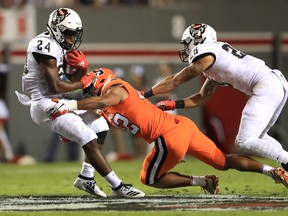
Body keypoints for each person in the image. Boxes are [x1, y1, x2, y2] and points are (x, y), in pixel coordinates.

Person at [46, 68, 288, 193]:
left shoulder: (118, 89)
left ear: (101, 84)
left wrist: (70, 104)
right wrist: (73, 130)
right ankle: (271, 171)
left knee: (147, 178)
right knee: (223, 161)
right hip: (182, 128)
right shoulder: (109, 106)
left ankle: (201, 182)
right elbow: (100, 123)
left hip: (168, 137)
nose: (91, 93)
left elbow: (101, 102)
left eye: (91, 89)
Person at [15, 8, 144, 198]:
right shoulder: (43, 44)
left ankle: (86, 177)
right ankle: (118, 187)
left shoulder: (58, 44)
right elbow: (56, 85)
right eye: (69, 33)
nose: (72, 37)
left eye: (74, 33)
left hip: (58, 100)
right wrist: (85, 81)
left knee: (100, 124)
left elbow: (68, 79)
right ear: (57, 29)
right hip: (43, 103)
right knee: (87, 136)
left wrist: (81, 71)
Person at [142, 23, 288, 172]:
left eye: (187, 43)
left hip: (266, 86)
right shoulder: (215, 57)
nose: (186, 48)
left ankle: (286, 160)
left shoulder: (206, 52)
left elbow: (176, 80)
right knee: (259, 137)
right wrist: (173, 105)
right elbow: (202, 97)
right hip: (275, 83)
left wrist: (145, 94)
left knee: (245, 141)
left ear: (198, 39)